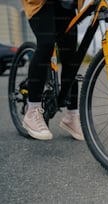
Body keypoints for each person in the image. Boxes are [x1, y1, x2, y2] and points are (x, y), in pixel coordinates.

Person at [21, 0, 85, 140]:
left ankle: (72, 116)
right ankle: (32, 111)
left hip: (67, 4)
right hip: (42, 4)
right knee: (46, 45)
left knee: (71, 57)